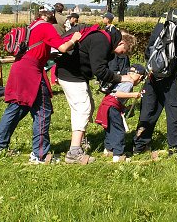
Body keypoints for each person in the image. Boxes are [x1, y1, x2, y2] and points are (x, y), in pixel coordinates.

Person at [0, 4, 83, 164]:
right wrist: (74, 39)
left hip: (19, 68)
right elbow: (62, 48)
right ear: (50, 15)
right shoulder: (47, 27)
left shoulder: (32, 26)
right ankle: (39, 155)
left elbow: (40, 48)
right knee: (42, 111)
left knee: (16, 107)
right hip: (31, 72)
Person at [133, 0, 177, 160]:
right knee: (174, 109)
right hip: (169, 73)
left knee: (148, 108)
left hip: (153, 70)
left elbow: (152, 41)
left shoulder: (166, 15)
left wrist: (150, 64)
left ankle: (139, 145)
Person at [55, 26, 137, 164]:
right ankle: (74, 152)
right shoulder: (102, 41)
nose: (121, 55)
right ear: (122, 43)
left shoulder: (105, 39)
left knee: (89, 107)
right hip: (71, 75)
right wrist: (121, 78)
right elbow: (99, 70)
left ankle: (81, 142)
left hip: (76, 75)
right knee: (82, 109)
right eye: (123, 52)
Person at [95, 64, 146, 162]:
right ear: (139, 76)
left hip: (106, 104)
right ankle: (118, 155)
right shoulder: (129, 83)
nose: (140, 81)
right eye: (141, 78)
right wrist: (133, 95)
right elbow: (116, 93)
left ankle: (108, 149)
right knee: (119, 130)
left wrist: (125, 108)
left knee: (110, 128)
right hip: (112, 105)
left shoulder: (123, 79)